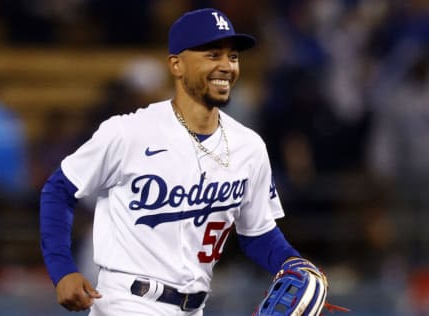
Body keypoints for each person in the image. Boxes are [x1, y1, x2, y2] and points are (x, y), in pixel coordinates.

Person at [40, 8, 328, 315]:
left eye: (233, 57)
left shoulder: (250, 147)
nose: (226, 66)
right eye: (212, 54)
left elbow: (258, 234)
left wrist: (290, 261)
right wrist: (62, 269)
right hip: (127, 302)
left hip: (195, 307)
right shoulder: (128, 132)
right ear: (176, 64)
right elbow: (59, 189)